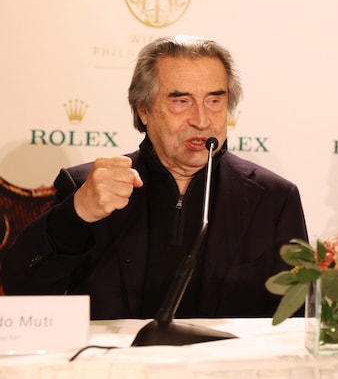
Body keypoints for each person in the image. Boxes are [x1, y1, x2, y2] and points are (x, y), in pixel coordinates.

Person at [1, 35, 308, 320]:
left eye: (214, 101)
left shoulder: (273, 199)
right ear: (144, 110)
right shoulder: (86, 188)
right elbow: (21, 291)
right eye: (181, 101)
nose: (202, 120)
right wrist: (75, 214)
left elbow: (295, 324)